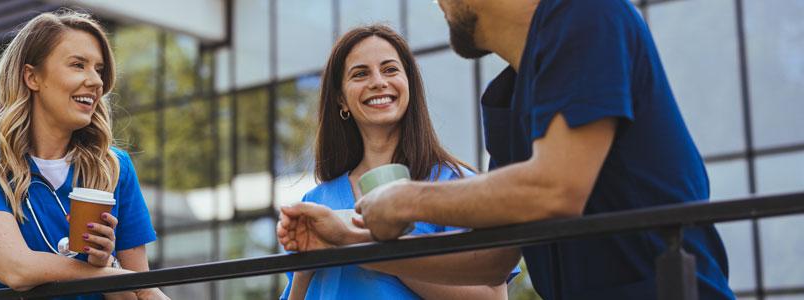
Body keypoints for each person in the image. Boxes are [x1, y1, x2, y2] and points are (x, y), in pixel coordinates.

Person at [338, 0, 734, 299]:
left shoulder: (588, 13)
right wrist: (348, 246)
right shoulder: (509, 93)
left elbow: (555, 189)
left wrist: (407, 201)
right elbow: (494, 258)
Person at [275, 25, 521, 300]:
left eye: (390, 69)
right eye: (360, 73)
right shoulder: (316, 201)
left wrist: (370, 248)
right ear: (341, 99)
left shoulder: (456, 183)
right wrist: (304, 269)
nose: (378, 81)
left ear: (409, 86)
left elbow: (493, 297)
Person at [0, 10, 168, 299]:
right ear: (32, 77)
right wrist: (110, 275)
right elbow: (14, 269)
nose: (96, 82)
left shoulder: (115, 167)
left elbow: (136, 295)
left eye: (99, 69)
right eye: (78, 65)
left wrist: (105, 262)